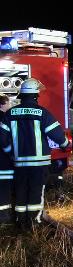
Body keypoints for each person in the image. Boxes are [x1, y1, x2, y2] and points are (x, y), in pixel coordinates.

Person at [0, 78, 69, 230]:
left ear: (22, 95)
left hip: (19, 163)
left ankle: (20, 220)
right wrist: (66, 145)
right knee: (36, 192)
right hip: (39, 163)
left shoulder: (10, 113)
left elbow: (2, 138)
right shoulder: (42, 113)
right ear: (36, 95)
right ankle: (34, 223)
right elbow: (57, 134)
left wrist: (11, 152)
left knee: (21, 190)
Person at [0, 94, 13, 224]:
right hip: (3, 161)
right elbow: (5, 140)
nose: (10, 106)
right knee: (4, 189)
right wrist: (11, 152)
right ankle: (4, 217)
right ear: (2, 104)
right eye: (8, 103)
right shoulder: (4, 118)